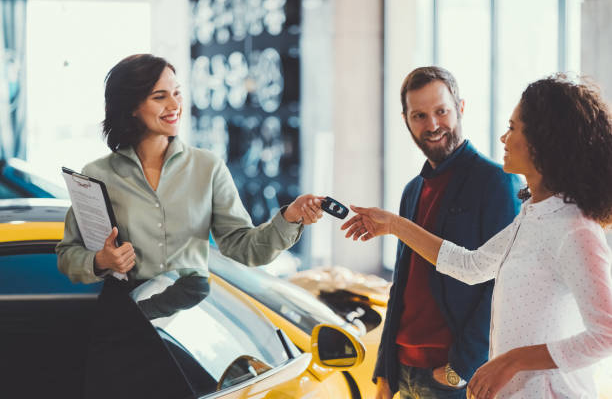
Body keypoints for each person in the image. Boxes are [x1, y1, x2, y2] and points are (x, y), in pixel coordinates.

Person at [342, 74, 612, 398]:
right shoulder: (532, 216)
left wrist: (511, 361)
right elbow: (471, 267)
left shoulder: (575, 230)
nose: (503, 137)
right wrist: (394, 225)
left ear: (543, 141)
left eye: (513, 128)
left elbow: (607, 335)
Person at [57, 53, 322, 284]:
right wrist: (101, 261)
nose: (175, 106)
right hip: (126, 314)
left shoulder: (208, 167)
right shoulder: (98, 175)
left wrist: (289, 219)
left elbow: (244, 247)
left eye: (177, 93)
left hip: (189, 316)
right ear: (131, 107)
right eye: (160, 97)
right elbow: (68, 255)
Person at [353, 66, 523, 398]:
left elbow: (505, 285)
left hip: (451, 378)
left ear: (461, 108)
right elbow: (401, 286)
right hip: (403, 372)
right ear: (406, 120)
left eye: (441, 111)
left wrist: (460, 370)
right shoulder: (412, 190)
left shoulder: (497, 181)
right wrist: (385, 370)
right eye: (419, 116)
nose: (432, 125)